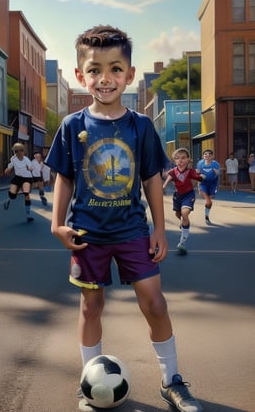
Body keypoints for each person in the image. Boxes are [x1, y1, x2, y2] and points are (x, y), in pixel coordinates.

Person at [45, 25, 203, 412]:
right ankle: (89, 385)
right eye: (95, 69)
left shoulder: (141, 126)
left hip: (132, 229)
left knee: (155, 305)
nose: (105, 78)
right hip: (87, 232)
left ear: (129, 75)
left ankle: (172, 382)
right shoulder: (73, 126)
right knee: (90, 307)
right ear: (82, 76)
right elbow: (64, 176)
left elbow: (151, 177)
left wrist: (160, 228)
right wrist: (56, 223)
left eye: (116, 69)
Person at [163, 148, 205, 254]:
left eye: (183, 158)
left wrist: (201, 177)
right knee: (179, 215)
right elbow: (168, 177)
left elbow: (197, 176)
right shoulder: (173, 171)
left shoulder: (190, 171)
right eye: (177, 158)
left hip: (188, 195)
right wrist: (164, 185)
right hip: (177, 196)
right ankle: (184, 222)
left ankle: (182, 243)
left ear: (188, 160)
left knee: (184, 213)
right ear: (174, 161)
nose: (180, 160)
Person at [3, 142, 34, 223]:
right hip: (18, 178)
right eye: (16, 151)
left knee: (26, 193)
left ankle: (28, 215)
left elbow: (31, 168)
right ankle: (9, 201)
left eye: (21, 151)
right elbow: (8, 168)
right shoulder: (13, 159)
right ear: (14, 152)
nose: (19, 153)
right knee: (12, 195)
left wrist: (29, 168)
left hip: (27, 178)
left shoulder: (26, 159)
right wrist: (7, 171)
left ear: (24, 151)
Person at [196, 149, 220, 225]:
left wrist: (217, 172)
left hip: (213, 184)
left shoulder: (215, 164)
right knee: (208, 200)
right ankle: (207, 217)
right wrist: (198, 187)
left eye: (209, 154)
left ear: (212, 156)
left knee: (210, 201)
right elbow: (197, 175)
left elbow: (219, 174)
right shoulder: (200, 164)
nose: (207, 156)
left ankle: (206, 213)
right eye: (205, 154)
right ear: (203, 156)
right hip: (203, 184)